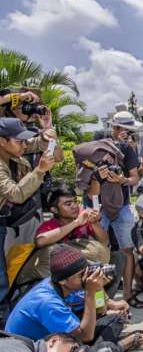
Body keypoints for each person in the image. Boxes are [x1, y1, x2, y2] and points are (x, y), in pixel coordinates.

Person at [5, 244, 143, 351]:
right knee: (91, 342)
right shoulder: (47, 301)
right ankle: (115, 347)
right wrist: (91, 291)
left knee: (115, 318)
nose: (86, 278)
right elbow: (85, 336)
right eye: (80, 275)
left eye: (86, 271)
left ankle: (104, 346)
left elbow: (100, 311)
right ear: (63, 281)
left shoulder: (67, 284)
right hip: (38, 347)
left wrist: (109, 302)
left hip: (59, 334)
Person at [87, 112, 141, 309]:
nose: (126, 134)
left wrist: (123, 180)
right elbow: (86, 178)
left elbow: (135, 178)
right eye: (125, 129)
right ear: (115, 127)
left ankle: (127, 294)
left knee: (127, 250)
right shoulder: (97, 144)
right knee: (96, 251)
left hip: (122, 205)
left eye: (130, 131)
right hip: (96, 205)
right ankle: (98, 301)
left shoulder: (128, 149)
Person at [0, 118, 56, 304]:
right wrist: (39, 171)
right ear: (2, 141)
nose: (24, 145)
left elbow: (36, 143)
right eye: (19, 141)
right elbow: (15, 194)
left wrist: (47, 131)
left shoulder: (10, 151)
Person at [15, 186, 110, 285]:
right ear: (54, 210)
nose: (74, 206)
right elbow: (40, 241)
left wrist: (94, 223)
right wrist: (76, 223)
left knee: (116, 257)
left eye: (75, 201)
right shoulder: (50, 225)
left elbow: (104, 241)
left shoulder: (84, 220)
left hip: (77, 272)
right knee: (52, 250)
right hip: (52, 279)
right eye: (68, 204)